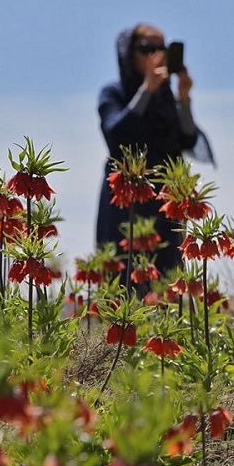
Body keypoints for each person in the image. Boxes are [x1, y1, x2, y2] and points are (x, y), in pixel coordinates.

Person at [96, 24, 211, 277]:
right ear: (128, 54)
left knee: (168, 272)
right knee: (122, 268)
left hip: (165, 193)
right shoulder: (114, 93)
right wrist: (146, 89)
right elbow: (116, 133)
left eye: (162, 48)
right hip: (125, 196)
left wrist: (184, 98)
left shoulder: (166, 99)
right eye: (147, 48)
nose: (156, 55)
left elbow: (188, 139)